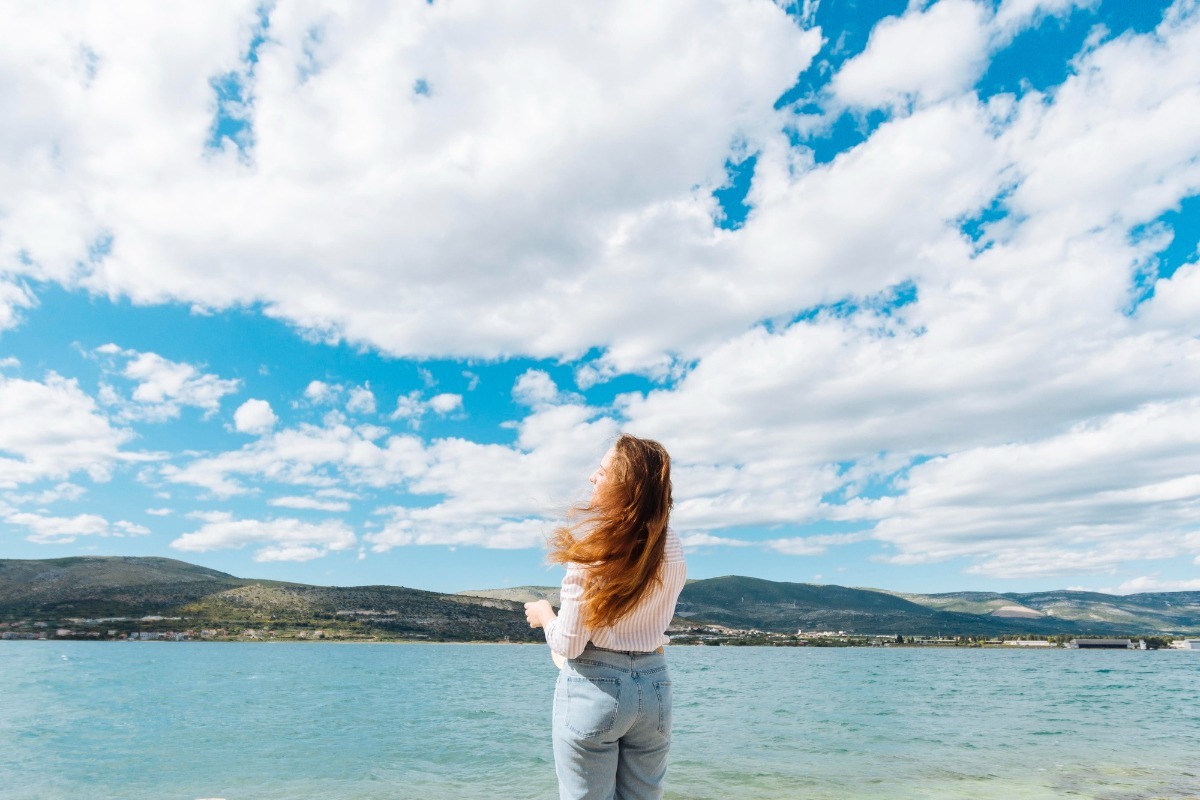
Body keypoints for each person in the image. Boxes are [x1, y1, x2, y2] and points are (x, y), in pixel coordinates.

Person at [525, 434, 687, 800]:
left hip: (596, 687)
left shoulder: (595, 545)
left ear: (622, 486)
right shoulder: (672, 543)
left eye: (600, 472)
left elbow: (569, 643)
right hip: (655, 684)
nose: (592, 479)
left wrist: (544, 615)